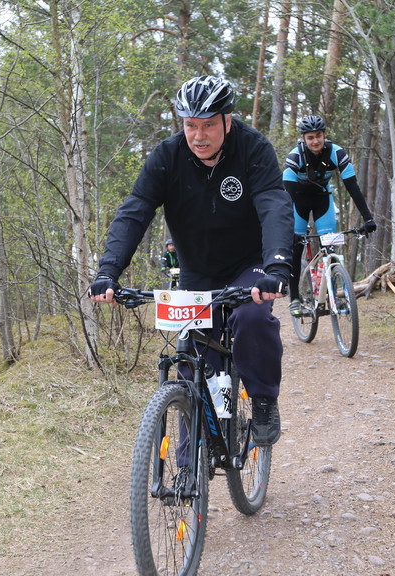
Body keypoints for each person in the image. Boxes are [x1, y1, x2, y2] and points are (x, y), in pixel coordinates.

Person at [89, 75, 293, 445]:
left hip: (250, 264)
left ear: (227, 122)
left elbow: (274, 205)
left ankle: (264, 400)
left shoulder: (252, 148)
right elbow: (135, 212)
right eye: (190, 125)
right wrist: (108, 272)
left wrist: (276, 266)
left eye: (209, 125)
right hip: (197, 271)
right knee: (192, 366)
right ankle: (188, 470)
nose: (199, 136)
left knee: (251, 316)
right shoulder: (167, 157)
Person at [282, 115, 376, 314]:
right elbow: (285, 197)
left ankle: (331, 293)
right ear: (303, 139)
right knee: (296, 246)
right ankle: (295, 299)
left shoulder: (337, 152)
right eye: (310, 137)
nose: (315, 141)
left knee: (329, 247)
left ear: (324, 135)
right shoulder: (294, 157)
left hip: (322, 199)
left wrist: (368, 218)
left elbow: (353, 188)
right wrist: (284, 226)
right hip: (297, 200)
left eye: (319, 135)